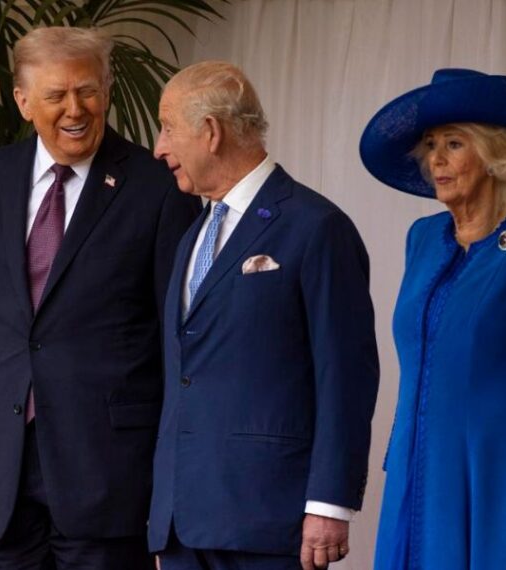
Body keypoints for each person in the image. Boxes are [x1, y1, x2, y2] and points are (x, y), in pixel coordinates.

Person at [0, 26, 201, 569]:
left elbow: (180, 339)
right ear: (23, 102)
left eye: (88, 91)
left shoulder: (156, 187)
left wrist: (174, 479)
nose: (76, 109)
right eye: (56, 95)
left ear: (107, 91)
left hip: (109, 473)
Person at [148, 60, 381, 570]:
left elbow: (347, 374)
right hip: (184, 524)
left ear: (210, 132)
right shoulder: (192, 234)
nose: (158, 148)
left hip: (269, 521)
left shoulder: (317, 227)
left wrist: (328, 503)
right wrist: (164, 513)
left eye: (167, 128)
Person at [359, 68, 506, 570]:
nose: (435, 158)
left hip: (494, 476)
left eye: (454, 143)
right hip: (416, 469)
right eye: (431, 144)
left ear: (495, 154)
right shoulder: (423, 238)